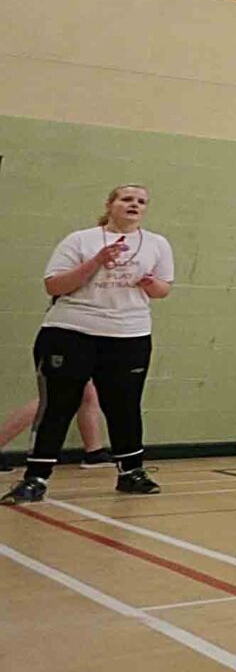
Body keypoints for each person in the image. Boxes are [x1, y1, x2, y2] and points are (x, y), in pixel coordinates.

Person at [6, 185, 175, 503]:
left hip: (129, 335)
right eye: (127, 199)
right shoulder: (80, 240)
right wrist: (96, 261)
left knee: (124, 406)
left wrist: (151, 284)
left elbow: (163, 289)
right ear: (111, 204)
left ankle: (131, 473)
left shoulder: (157, 244)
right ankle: (36, 478)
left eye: (141, 201)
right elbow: (54, 284)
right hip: (71, 331)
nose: (134, 204)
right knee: (58, 405)